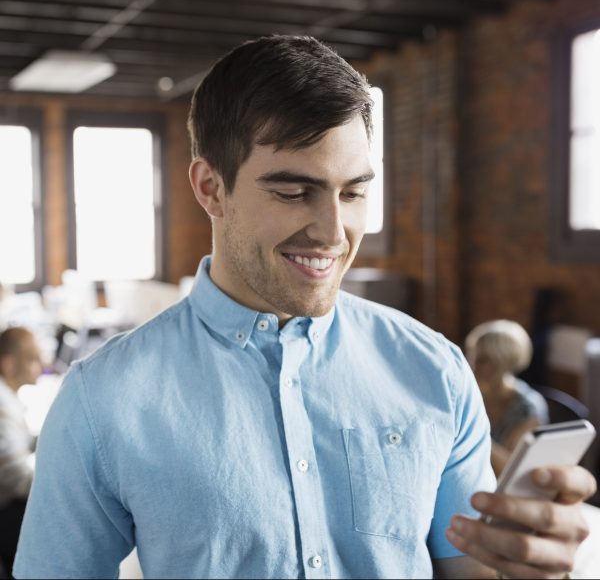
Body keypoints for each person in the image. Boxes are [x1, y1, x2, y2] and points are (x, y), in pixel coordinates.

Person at [14, 36, 595, 579]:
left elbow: (470, 567)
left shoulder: (436, 370)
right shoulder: (101, 400)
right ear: (210, 188)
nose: (333, 231)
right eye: (294, 193)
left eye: (354, 192)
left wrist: (526, 562)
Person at [465, 319, 550, 475]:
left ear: (502, 362)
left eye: (483, 360)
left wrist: (469, 432)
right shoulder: (471, 393)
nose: (473, 365)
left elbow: (510, 468)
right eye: (473, 357)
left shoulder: (528, 407)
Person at [0, 327, 41, 577]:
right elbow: (15, 477)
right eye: (32, 359)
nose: (40, 365)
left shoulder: (8, 398)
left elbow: (22, 444)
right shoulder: (2, 406)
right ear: (8, 364)